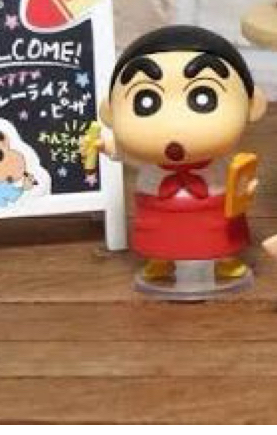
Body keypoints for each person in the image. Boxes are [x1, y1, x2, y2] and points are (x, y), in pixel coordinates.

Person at [87, 26, 267, 287]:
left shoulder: (221, 164)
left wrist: (244, 189)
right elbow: (121, 152)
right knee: (159, 232)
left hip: (213, 200)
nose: (174, 123)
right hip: (157, 202)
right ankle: (160, 259)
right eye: (145, 100)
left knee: (218, 230)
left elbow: (242, 180)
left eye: (203, 97)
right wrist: (102, 145)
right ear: (110, 113)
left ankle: (224, 258)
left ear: (252, 105)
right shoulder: (146, 160)